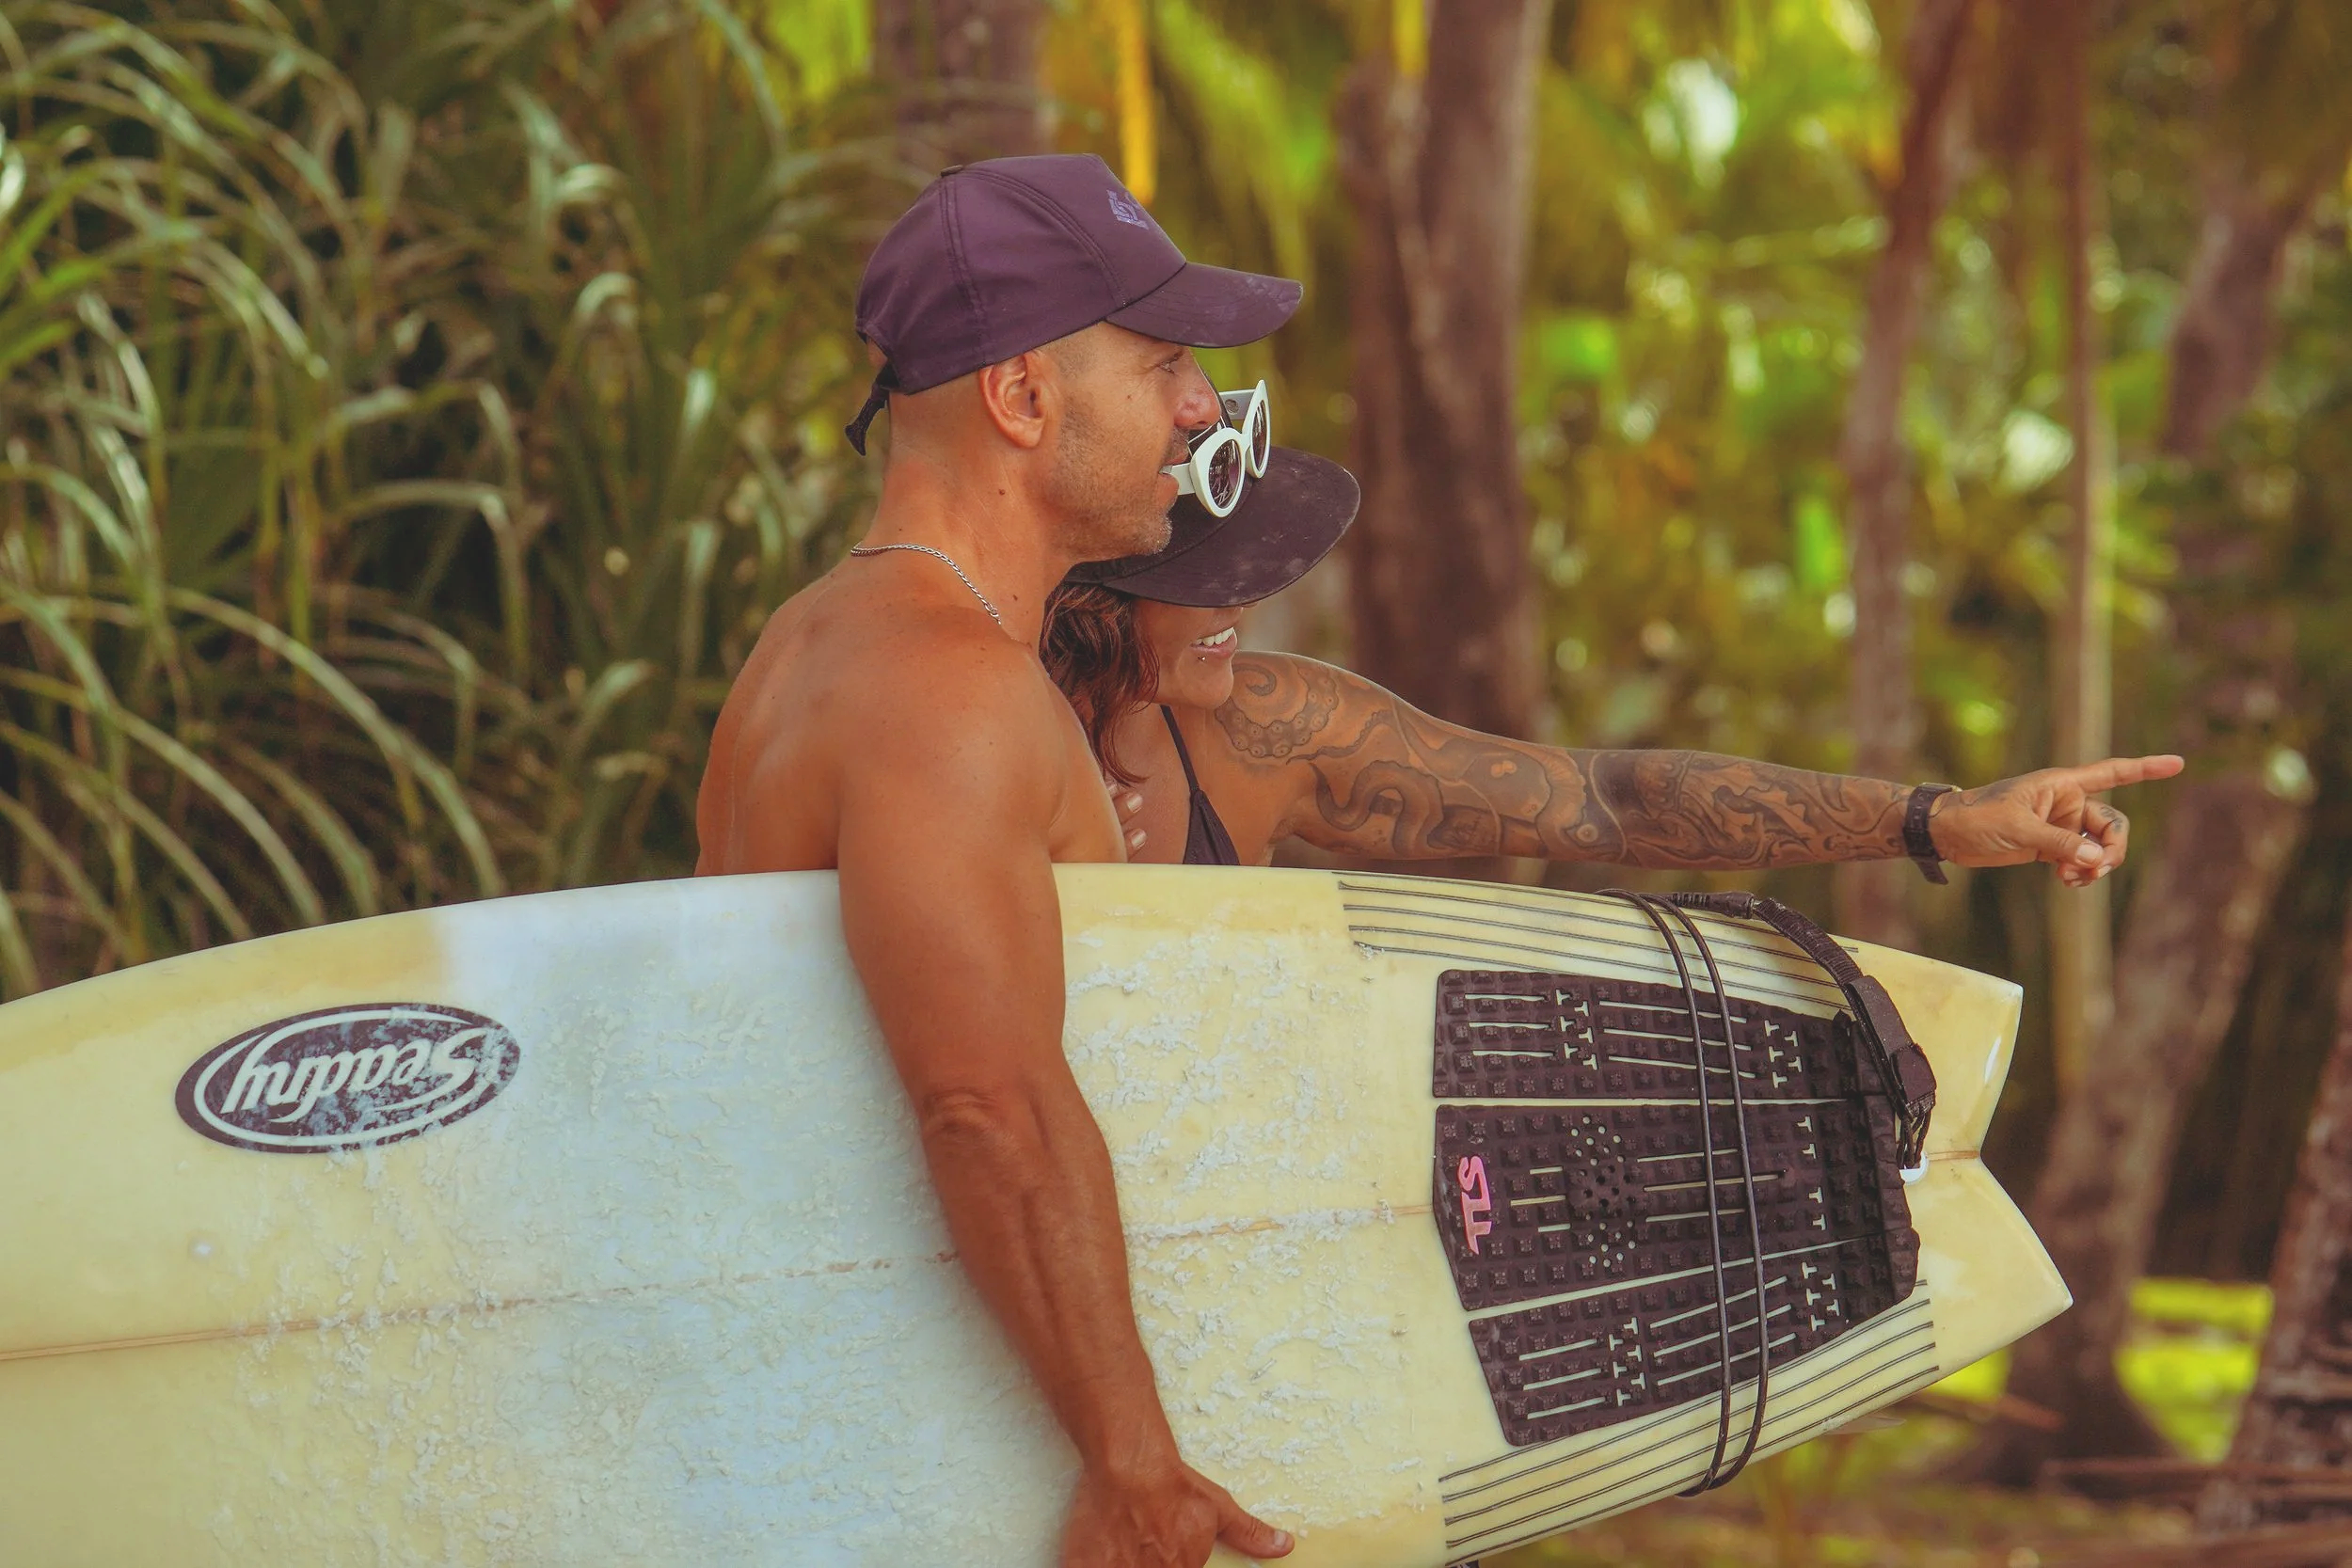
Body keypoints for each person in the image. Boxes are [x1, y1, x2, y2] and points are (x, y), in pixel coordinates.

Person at [696, 155, 1297, 1568]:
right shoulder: (940, 687)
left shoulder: (828, 642)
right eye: (1163, 365)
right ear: (1022, 399)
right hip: (967, 1451)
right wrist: (1131, 1460)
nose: (1202, 406)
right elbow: (984, 1103)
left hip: (883, 1425)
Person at [1044, 446, 2184, 879]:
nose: (1248, 595)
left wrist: (1931, 817)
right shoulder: (970, 718)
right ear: (1095, 580)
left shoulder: (1262, 729)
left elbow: (1600, 800)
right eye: (1208, 572)